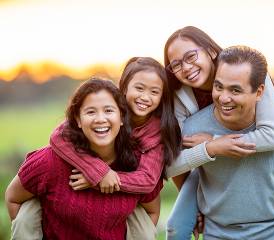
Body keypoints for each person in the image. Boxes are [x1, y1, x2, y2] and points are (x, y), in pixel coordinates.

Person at [164, 26, 274, 240]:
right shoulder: (180, 100)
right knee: (176, 225)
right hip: (208, 161)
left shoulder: (251, 74)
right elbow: (174, 161)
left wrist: (217, 142)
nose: (186, 68)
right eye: (176, 64)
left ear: (211, 51)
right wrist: (210, 151)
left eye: (191, 56)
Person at [9, 57, 182, 240]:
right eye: (139, 88)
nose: (145, 97)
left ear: (121, 117)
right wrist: (97, 171)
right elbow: (58, 137)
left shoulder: (149, 144)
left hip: (125, 179)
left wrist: (102, 180)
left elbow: (148, 185)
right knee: (28, 211)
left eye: (108, 111)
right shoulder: (50, 161)